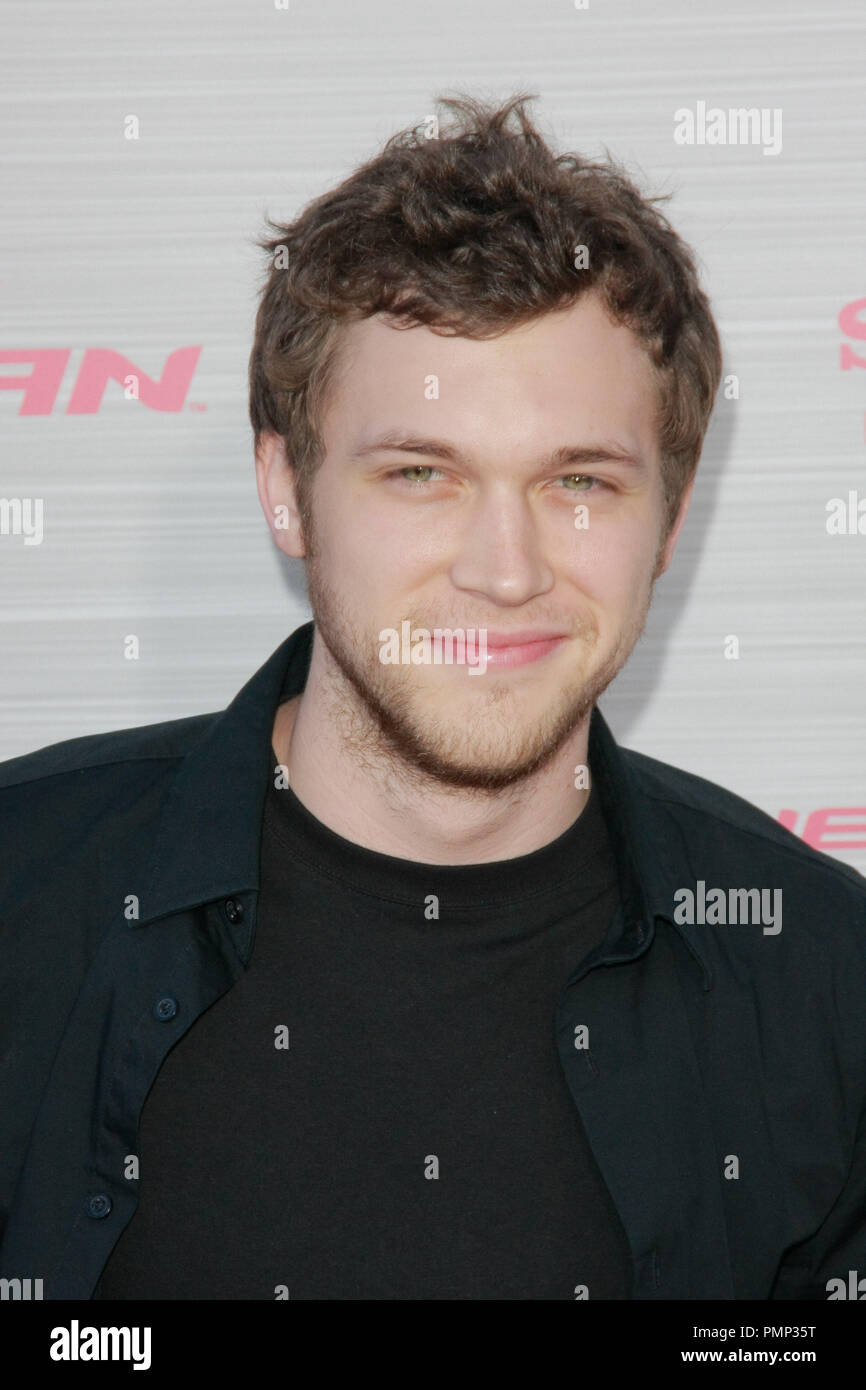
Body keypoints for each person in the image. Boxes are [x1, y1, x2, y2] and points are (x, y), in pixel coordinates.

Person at [1, 94, 864, 1302]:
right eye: (420, 472)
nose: (503, 570)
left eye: (578, 480)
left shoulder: (824, 979)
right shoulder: (23, 896)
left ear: (668, 520)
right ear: (285, 490)